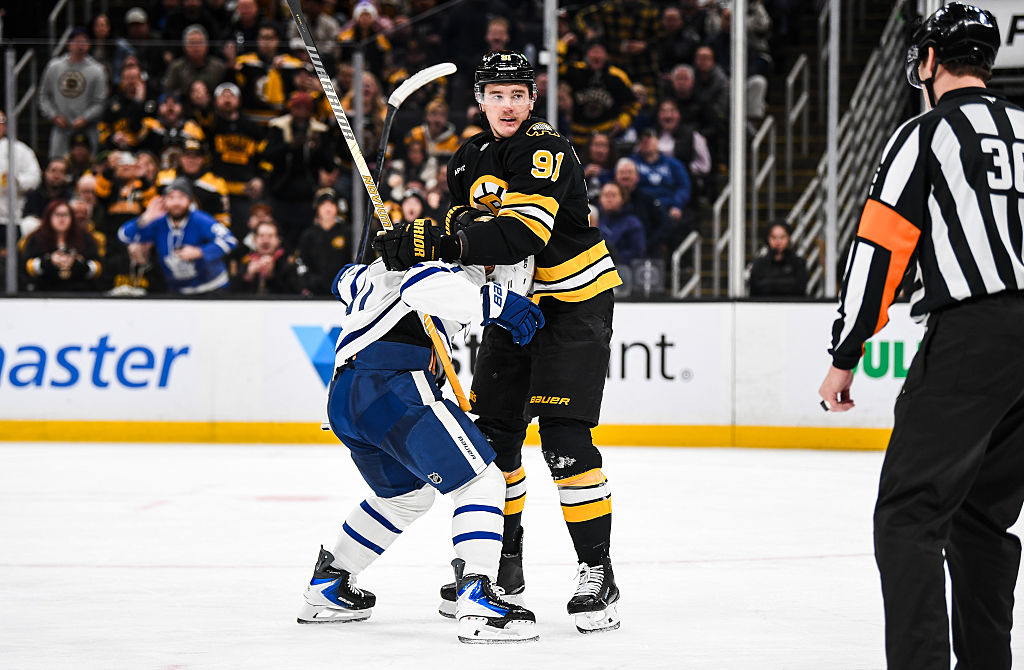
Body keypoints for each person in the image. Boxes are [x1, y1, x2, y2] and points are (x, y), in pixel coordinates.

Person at [375, 50, 623, 634]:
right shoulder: (466, 158)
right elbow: (469, 244)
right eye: (496, 94)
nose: (507, 105)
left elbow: (522, 233)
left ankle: (597, 572)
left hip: (572, 303)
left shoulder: (545, 148)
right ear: (480, 100)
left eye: (517, 94)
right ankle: (499, 570)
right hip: (512, 308)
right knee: (494, 443)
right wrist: (409, 248)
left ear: (532, 99)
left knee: (564, 441)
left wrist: (438, 241)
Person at [817, 6, 1024, 669]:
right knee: (982, 516)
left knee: (908, 515)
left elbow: (880, 251)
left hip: (974, 337)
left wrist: (846, 351)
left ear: (931, 60)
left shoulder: (925, 133)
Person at [299, 218, 545, 644]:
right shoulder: (439, 267)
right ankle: (479, 599)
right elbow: (422, 284)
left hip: (347, 396)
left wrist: (374, 266)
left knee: (406, 497)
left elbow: (344, 280)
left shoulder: (381, 271)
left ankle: (330, 583)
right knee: (483, 479)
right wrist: (497, 304)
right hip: (393, 384)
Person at [118, 177, 237, 295]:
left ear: (189, 200)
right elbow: (124, 236)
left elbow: (230, 240)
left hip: (213, 288)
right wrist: (145, 218)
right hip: (179, 291)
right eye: (171, 198)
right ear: (164, 201)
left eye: (181, 197)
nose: (176, 203)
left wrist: (199, 252)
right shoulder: (158, 223)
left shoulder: (200, 219)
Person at [39, 28, 108, 157]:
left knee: (88, 165)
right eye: (77, 41)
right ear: (68, 44)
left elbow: (100, 102)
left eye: (85, 41)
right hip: (61, 129)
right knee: (57, 163)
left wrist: (85, 118)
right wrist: (54, 116)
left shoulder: (97, 70)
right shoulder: (54, 67)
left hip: (87, 129)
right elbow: (44, 96)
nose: (81, 45)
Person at [20, 199, 102, 292]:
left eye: (66, 215)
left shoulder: (85, 237)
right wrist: (48, 262)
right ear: (48, 217)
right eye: (57, 214)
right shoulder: (36, 238)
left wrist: (77, 263)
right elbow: (26, 268)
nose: (62, 219)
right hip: (44, 292)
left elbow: (98, 268)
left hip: (80, 293)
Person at [295, 188, 350, 296]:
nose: (327, 209)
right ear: (317, 208)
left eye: (331, 204)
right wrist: (308, 282)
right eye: (323, 205)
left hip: (343, 290)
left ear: (337, 207)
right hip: (315, 292)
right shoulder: (309, 235)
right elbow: (302, 261)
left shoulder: (347, 233)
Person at [0, 111, 42, 237]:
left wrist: (17, 181)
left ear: (5, 126)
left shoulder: (20, 149)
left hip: (13, 215)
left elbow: (35, 177)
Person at [232, 220, 298, 294]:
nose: (265, 241)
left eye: (270, 236)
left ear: (278, 240)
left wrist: (271, 275)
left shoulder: (287, 264)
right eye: (261, 236)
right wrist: (249, 276)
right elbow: (232, 294)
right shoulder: (246, 262)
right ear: (255, 240)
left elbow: (295, 294)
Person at [748, 221, 806, 297]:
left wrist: (768, 284)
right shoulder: (759, 264)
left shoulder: (798, 263)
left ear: (789, 238)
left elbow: (799, 289)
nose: (778, 242)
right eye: (773, 237)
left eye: (782, 237)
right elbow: (754, 290)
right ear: (767, 239)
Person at [596, 181, 645, 266]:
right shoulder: (596, 220)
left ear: (623, 198)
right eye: (605, 195)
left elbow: (637, 252)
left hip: (623, 267)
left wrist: (613, 259)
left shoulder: (632, 223)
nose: (609, 199)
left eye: (613, 195)